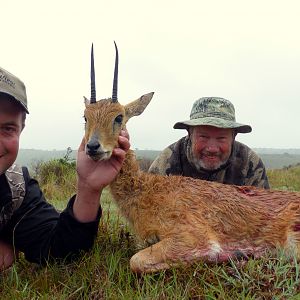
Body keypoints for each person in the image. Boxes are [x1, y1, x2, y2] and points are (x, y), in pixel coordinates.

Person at [0, 66, 130, 270]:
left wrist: (88, 187)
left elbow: (60, 251)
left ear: (21, 129)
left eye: (7, 129)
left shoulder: (16, 189)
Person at [149, 97, 269, 189]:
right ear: (189, 134)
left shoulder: (249, 164)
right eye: (203, 137)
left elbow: (262, 215)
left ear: (234, 136)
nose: (212, 148)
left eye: (221, 138)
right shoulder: (165, 164)